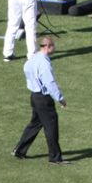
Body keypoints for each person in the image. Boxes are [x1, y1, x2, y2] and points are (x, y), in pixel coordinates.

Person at [11, 36, 70, 165]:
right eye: (53, 45)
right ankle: (55, 157)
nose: (55, 48)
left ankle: (19, 150)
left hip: (34, 96)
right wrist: (60, 99)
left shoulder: (33, 59)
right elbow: (50, 83)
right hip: (44, 99)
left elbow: (25, 68)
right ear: (48, 46)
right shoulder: (44, 63)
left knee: (35, 124)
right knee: (51, 127)